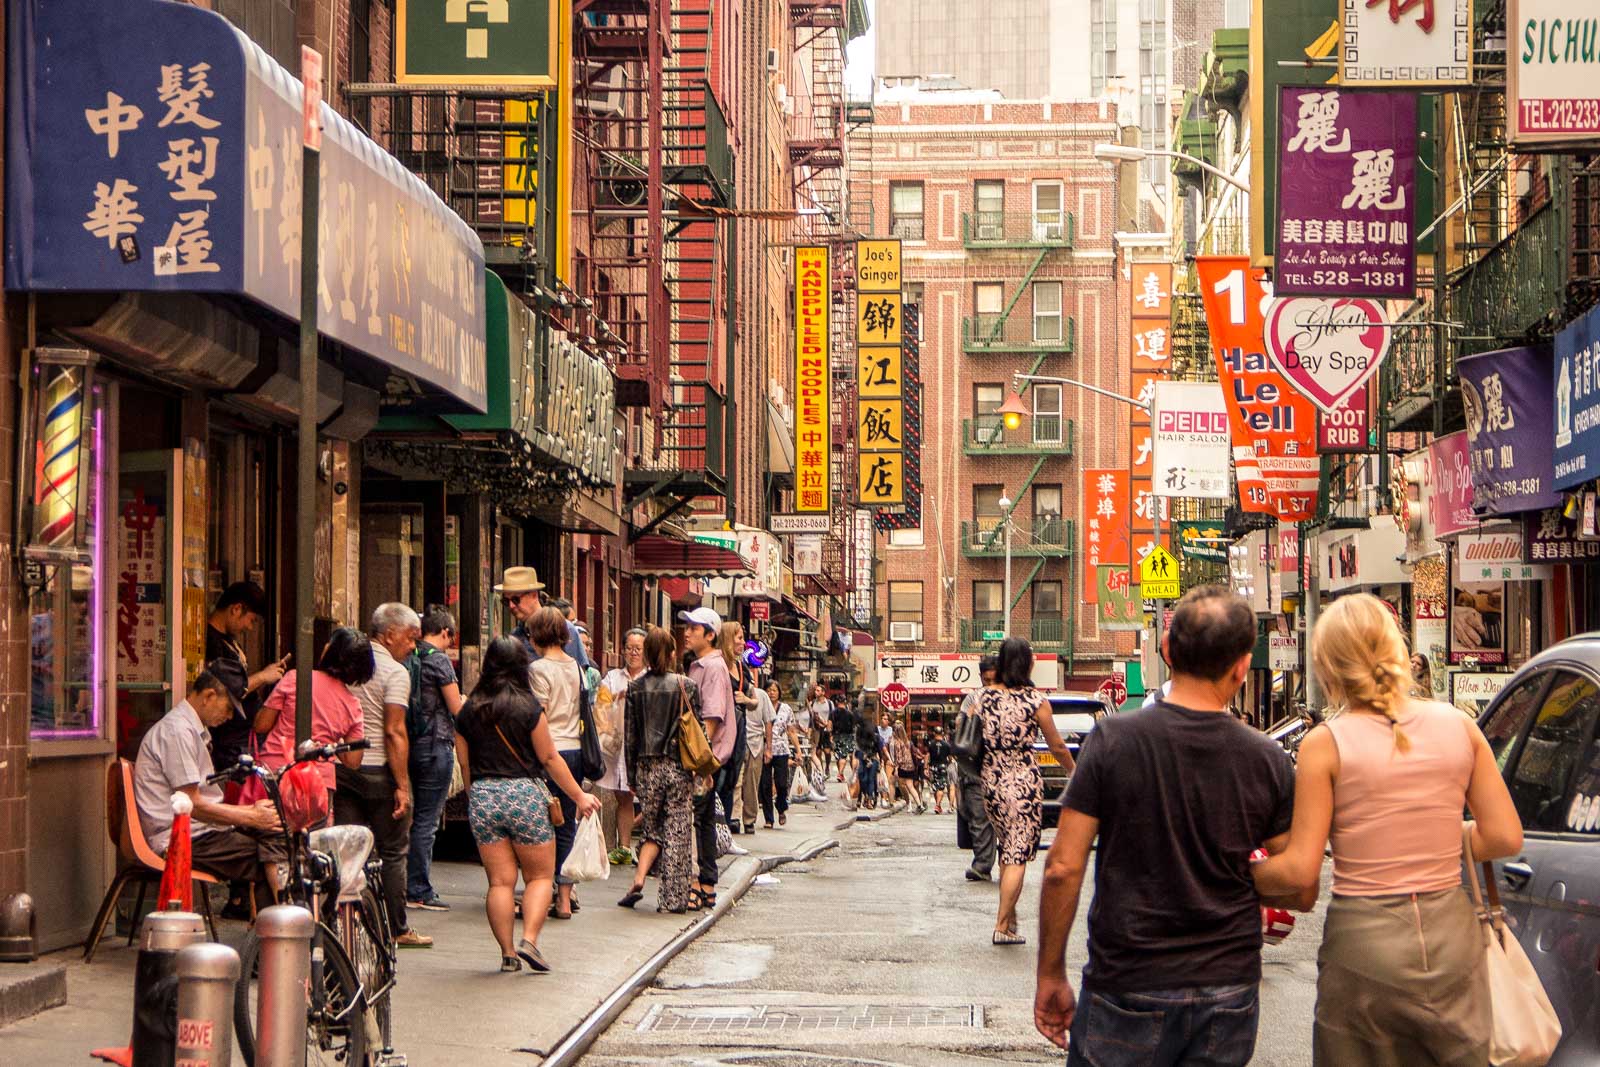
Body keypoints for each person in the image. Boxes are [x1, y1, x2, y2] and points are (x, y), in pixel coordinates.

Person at [1034, 586, 1310, 1064]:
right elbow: (1298, 883)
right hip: (1228, 989)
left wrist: (1050, 973)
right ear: (1242, 666)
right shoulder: (1267, 760)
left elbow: (1062, 867)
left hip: (1127, 982)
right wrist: (1233, 875)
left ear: (1166, 652)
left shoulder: (1113, 740)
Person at [1251, 593, 1522, 1064]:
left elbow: (1298, 873)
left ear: (1329, 667)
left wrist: (1224, 875)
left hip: (1364, 946)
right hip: (1452, 939)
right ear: (1397, 649)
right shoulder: (1460, 726)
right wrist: (1443, 842)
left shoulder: (1325, 744)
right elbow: (1504, 836)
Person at [454, 637, 601, 972]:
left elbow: (464, 764)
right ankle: (529, 941)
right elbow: (549, 758)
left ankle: (506, 953)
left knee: (500, 882)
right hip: (526, 797)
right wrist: (578, 795)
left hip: (484, 795)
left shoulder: (467, 710)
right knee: (539, 877)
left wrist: (475, 795)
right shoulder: (529, 707)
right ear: (521, 665)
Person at [133, 663, 287, 905]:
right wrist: (248, 816)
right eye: (228, 709)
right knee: (266, 854)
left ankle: (274, 931)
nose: (227, 718)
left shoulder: (190, 730)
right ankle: (279, 932)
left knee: (278, 834)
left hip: (199, 829)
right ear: (209, 696)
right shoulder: (178, 732)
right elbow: (191, 804)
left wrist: (252, 816)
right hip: (179, 835)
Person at [336, 603, 430, 948]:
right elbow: (395, 732)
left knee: (349, 850)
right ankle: (396, 927)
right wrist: (403, 785)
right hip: (378, 772)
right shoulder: (394, 673)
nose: (413, 646)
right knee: (392, 851)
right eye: (409, 638)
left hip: (345, 771)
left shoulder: (348, 664)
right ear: (389, 635)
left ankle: (347, 922)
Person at [976, 638, 1072, 944]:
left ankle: (1010, 917)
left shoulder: (983, 697)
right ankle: (1002, 926)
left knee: (1007, 848)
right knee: (1017, 854)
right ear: (1028, 663)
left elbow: (969, 734)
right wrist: (1074, 770)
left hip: (990, 780)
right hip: (1021, 782)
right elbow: (1056, 744)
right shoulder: (1035, 700)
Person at [618, 626, 700, 913]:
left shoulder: (635, 688)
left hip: (647, 766)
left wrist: (631, 775)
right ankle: (674, 898)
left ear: (648, 654)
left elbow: (631, 736)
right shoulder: (685, 685)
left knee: (652, 828)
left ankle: (640, 878)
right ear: (671, 653)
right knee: (678, 830)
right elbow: (696, 730)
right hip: (677, 766)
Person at [253, 627, 373, 799]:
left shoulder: (295, 678)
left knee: (268, 824)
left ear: (329, 651)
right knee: (317, 827)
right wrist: (332, 745)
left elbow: (261, 725)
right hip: (319, 783)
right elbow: (353, 761)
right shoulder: (352, 705)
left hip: (276, 772)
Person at [527, 605, 586, 920]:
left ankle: (543, 888)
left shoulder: (539, 669)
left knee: (544, 822)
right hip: (574, 750)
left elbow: (540, 716)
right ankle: (564, 898)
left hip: (550, 752)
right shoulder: (576, 666)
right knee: (567, 825)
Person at [405, 609, 465, 912]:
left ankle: (408, 881)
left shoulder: (408, 656)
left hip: (409, 745)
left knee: (413, 817)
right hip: (435, 745)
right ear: (444, 632)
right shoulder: (439, 661)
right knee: (427, 820)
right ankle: (418, 887)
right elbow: (456, 708)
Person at [682, 606, 734, 910]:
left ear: (710, 635)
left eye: (694, 628)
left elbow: (711, 718)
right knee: (702, 820)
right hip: (703, 759)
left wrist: (701, 762)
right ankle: (706, 885)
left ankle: (702, 883)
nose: (687, 633)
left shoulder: (712, 668)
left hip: (704, 760)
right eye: (687, 627)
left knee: (698, 820)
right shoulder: (701, 665)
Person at [205, 581, 287, 772]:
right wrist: (263, 676)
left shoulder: (228, 640)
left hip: (243, 737)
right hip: (231, 742)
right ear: (236, 609)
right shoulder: (212, 642)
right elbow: (226, 690)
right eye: (251, 620)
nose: (249, 627)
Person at [597, 627, 647, 866]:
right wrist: (618, 698)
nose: (633, 653)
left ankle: (647, 847)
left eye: (638, 649)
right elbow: (601, 705)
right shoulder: (612, 678)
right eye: (629, 648)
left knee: (649, 798)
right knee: (623, 796)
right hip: (618, 746)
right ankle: (624, 846)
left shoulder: (651, 677)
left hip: (644, 747)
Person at [955, 657, 999, 881]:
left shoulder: (1008, 698)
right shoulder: (972, 698)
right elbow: (960, 728)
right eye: (986, 679)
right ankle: (982, 865)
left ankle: (1009, 861)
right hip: (976, 769)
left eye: (994, 679)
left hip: (1003, 769)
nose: (989, 684)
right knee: (979, 818)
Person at [718, 620, 754, 840]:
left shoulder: (742, 668)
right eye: (739, 637)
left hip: (739, 726)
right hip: (721, 728)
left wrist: (746, 699)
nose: (743, 642)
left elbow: (756, 700)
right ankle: (715, 828)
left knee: (731, 779)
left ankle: (724, 834)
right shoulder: (717, 665)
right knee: (718, 779)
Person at [740, 669, 776, 835]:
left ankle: (749, 820)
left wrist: (769, 748)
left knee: (751, 784)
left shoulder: (761, 695)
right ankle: (732, 818)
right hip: (736, 742)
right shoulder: (733, 693)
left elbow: (768, 722)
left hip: (755, 744)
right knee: (734, 784)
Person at [760, 682, 796, 828]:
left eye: (774, 690)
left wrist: (798, 751)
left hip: (781, 750)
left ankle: (781, 807)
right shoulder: (761, 706)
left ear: (779, 692)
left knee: (781, 783)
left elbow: (791, 730)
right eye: (769, 690)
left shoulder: (786, 709)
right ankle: (769, 818)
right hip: (763, 749)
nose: (771, 693)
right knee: (765, 784)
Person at [891, 721, 926, 813]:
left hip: (902, 767)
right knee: (910, 786)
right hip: (911, 766)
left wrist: (896, 768)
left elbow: (898, 757)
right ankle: (919, 804)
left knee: (900, 785)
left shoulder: (898, 743)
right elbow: (915, 752)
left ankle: (908, 803)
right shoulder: (908, 742)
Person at [851, 709, 881, 811]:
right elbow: (857, 745)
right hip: (862, 756)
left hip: (872, 756)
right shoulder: (859, 730)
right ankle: (865, 797)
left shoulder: (872, 729)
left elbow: (878, 744)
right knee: (863, 778)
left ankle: (869, 798)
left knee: (869, 779)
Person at [807, 684, 834, 777]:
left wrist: (831, 731)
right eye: (815, 690)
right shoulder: (813, 703)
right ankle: (820, 769)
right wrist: (809, 731)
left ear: (823, 692)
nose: (816, 692)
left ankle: (827, 767)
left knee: (827, 751)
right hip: (816, 730)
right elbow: (810, 718)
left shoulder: (829, 703)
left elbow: (832, 717)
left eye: (818, 691)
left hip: (826, 730)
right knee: (817, 752)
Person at [831, 694, 858, 784]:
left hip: (836, 736)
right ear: (845, 702)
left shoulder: (833, 713)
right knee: (848, 755)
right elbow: (854, 726)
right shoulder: (849, 713)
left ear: (836, 702)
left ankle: (841, 774)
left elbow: (829, 724)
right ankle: (841, 773)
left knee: (839, 756)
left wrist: (830, 735)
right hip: (848, 736)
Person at [926, 724, 952, 815]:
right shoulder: (947, 745)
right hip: (943, 766)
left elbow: (927, 755)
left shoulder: (931, 744)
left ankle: (938, 805)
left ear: (934, 733)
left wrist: (926, 767)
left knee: (935, 786)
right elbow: (950, 757)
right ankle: (937, 804)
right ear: (942, 733)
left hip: (933, 766)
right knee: (941, 786)